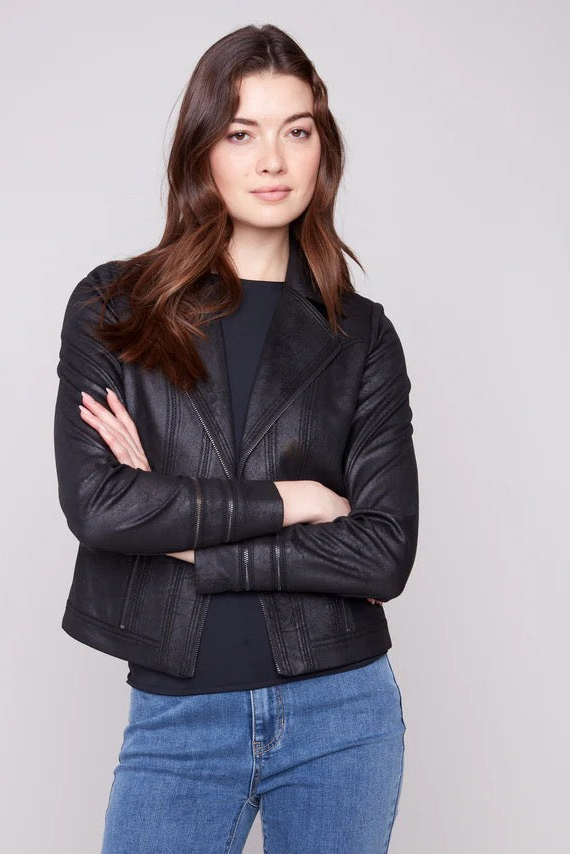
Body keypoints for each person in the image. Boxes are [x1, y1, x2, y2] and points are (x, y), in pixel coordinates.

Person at [54, 22, 419, 854]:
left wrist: (181, 532)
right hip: (178, 717)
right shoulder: (114, 309)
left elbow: (383, 555)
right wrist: (300, 500)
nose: (273, 161)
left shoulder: (361, 335)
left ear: (323, 151)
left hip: (343, 714)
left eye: (298, 132)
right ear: (202, 151)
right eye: (242, 133)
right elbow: (101, 509)